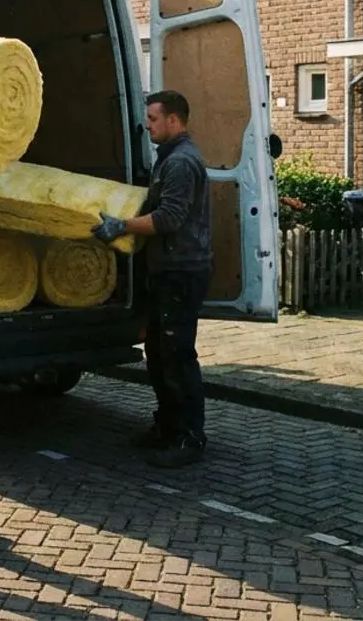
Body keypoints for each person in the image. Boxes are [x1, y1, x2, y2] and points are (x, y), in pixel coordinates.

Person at [92, 91, 212, 469]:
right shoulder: (168, 158)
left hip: (182, 272)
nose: (148, 125)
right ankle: (167, 427)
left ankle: (189, 438)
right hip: (167, 270)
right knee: (159, 355)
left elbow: (169, 218)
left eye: (153, 119)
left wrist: (122, 225)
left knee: (178, 356)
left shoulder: (181, 163)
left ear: (174, 120)